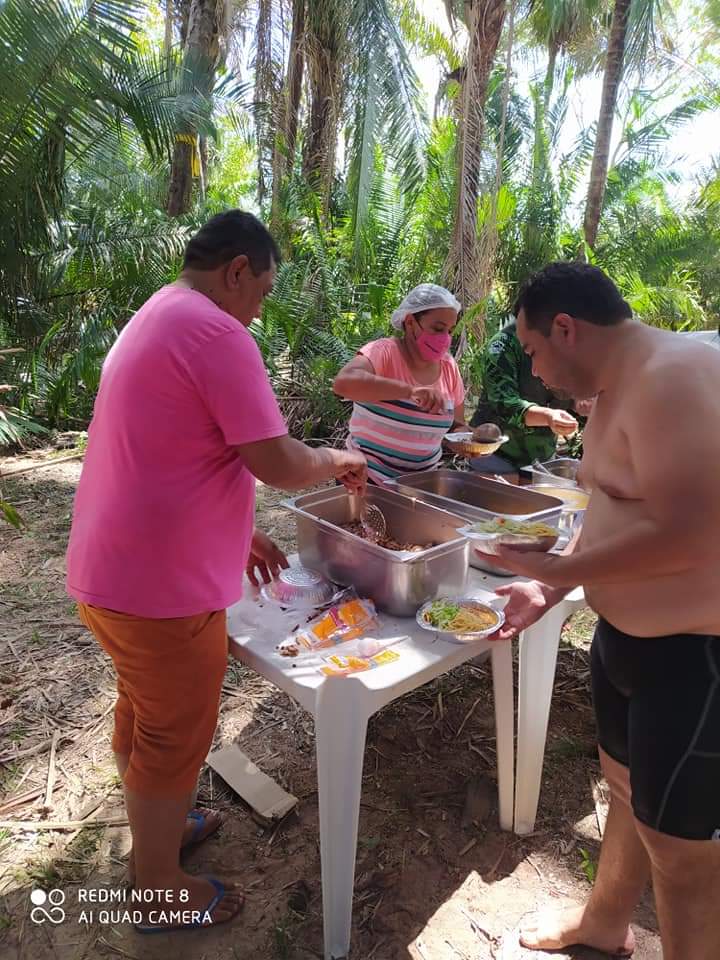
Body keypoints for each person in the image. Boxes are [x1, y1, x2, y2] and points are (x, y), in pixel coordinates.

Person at [65, 211, 367, 933]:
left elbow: (170, 451)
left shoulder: (159, 314)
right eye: (261, 291)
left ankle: (160, 832)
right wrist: (338, 458)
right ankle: (156, 889)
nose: (259, 309)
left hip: (112, 572)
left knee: (145, 714)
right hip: (157, 591)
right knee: (174, 736)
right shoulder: (216, 331)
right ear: (237, 271)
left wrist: (235, 533)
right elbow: (279, 462)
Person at [481, 262, 720, 959]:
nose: (535, 370)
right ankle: (604, 924)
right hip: (627, 641)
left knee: (684, 859)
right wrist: (551, 589)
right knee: (624, 792)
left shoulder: (673, 377)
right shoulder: (620, 385)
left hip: (693, 657)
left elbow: (696, 533)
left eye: (533, 350)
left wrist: (561, 571)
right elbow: (614, 508)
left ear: (566, 328)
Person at [333, 283, 495, 484]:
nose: (445, 338)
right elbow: (344, 383)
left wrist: (468, 441)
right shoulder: (383, 352)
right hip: (365, 480)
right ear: (410, 322)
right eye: (438, 328)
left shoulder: (449, 368)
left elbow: (454, 426)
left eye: (449, 331)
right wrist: (410, 391)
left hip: (419, 485)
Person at [469, 319, 583, 478]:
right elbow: (505, 405)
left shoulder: (567, 342)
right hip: (495, 454)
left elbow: (569, 393)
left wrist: (579, 403)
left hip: (542, 457)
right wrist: (548, 417)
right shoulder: (503, 346)